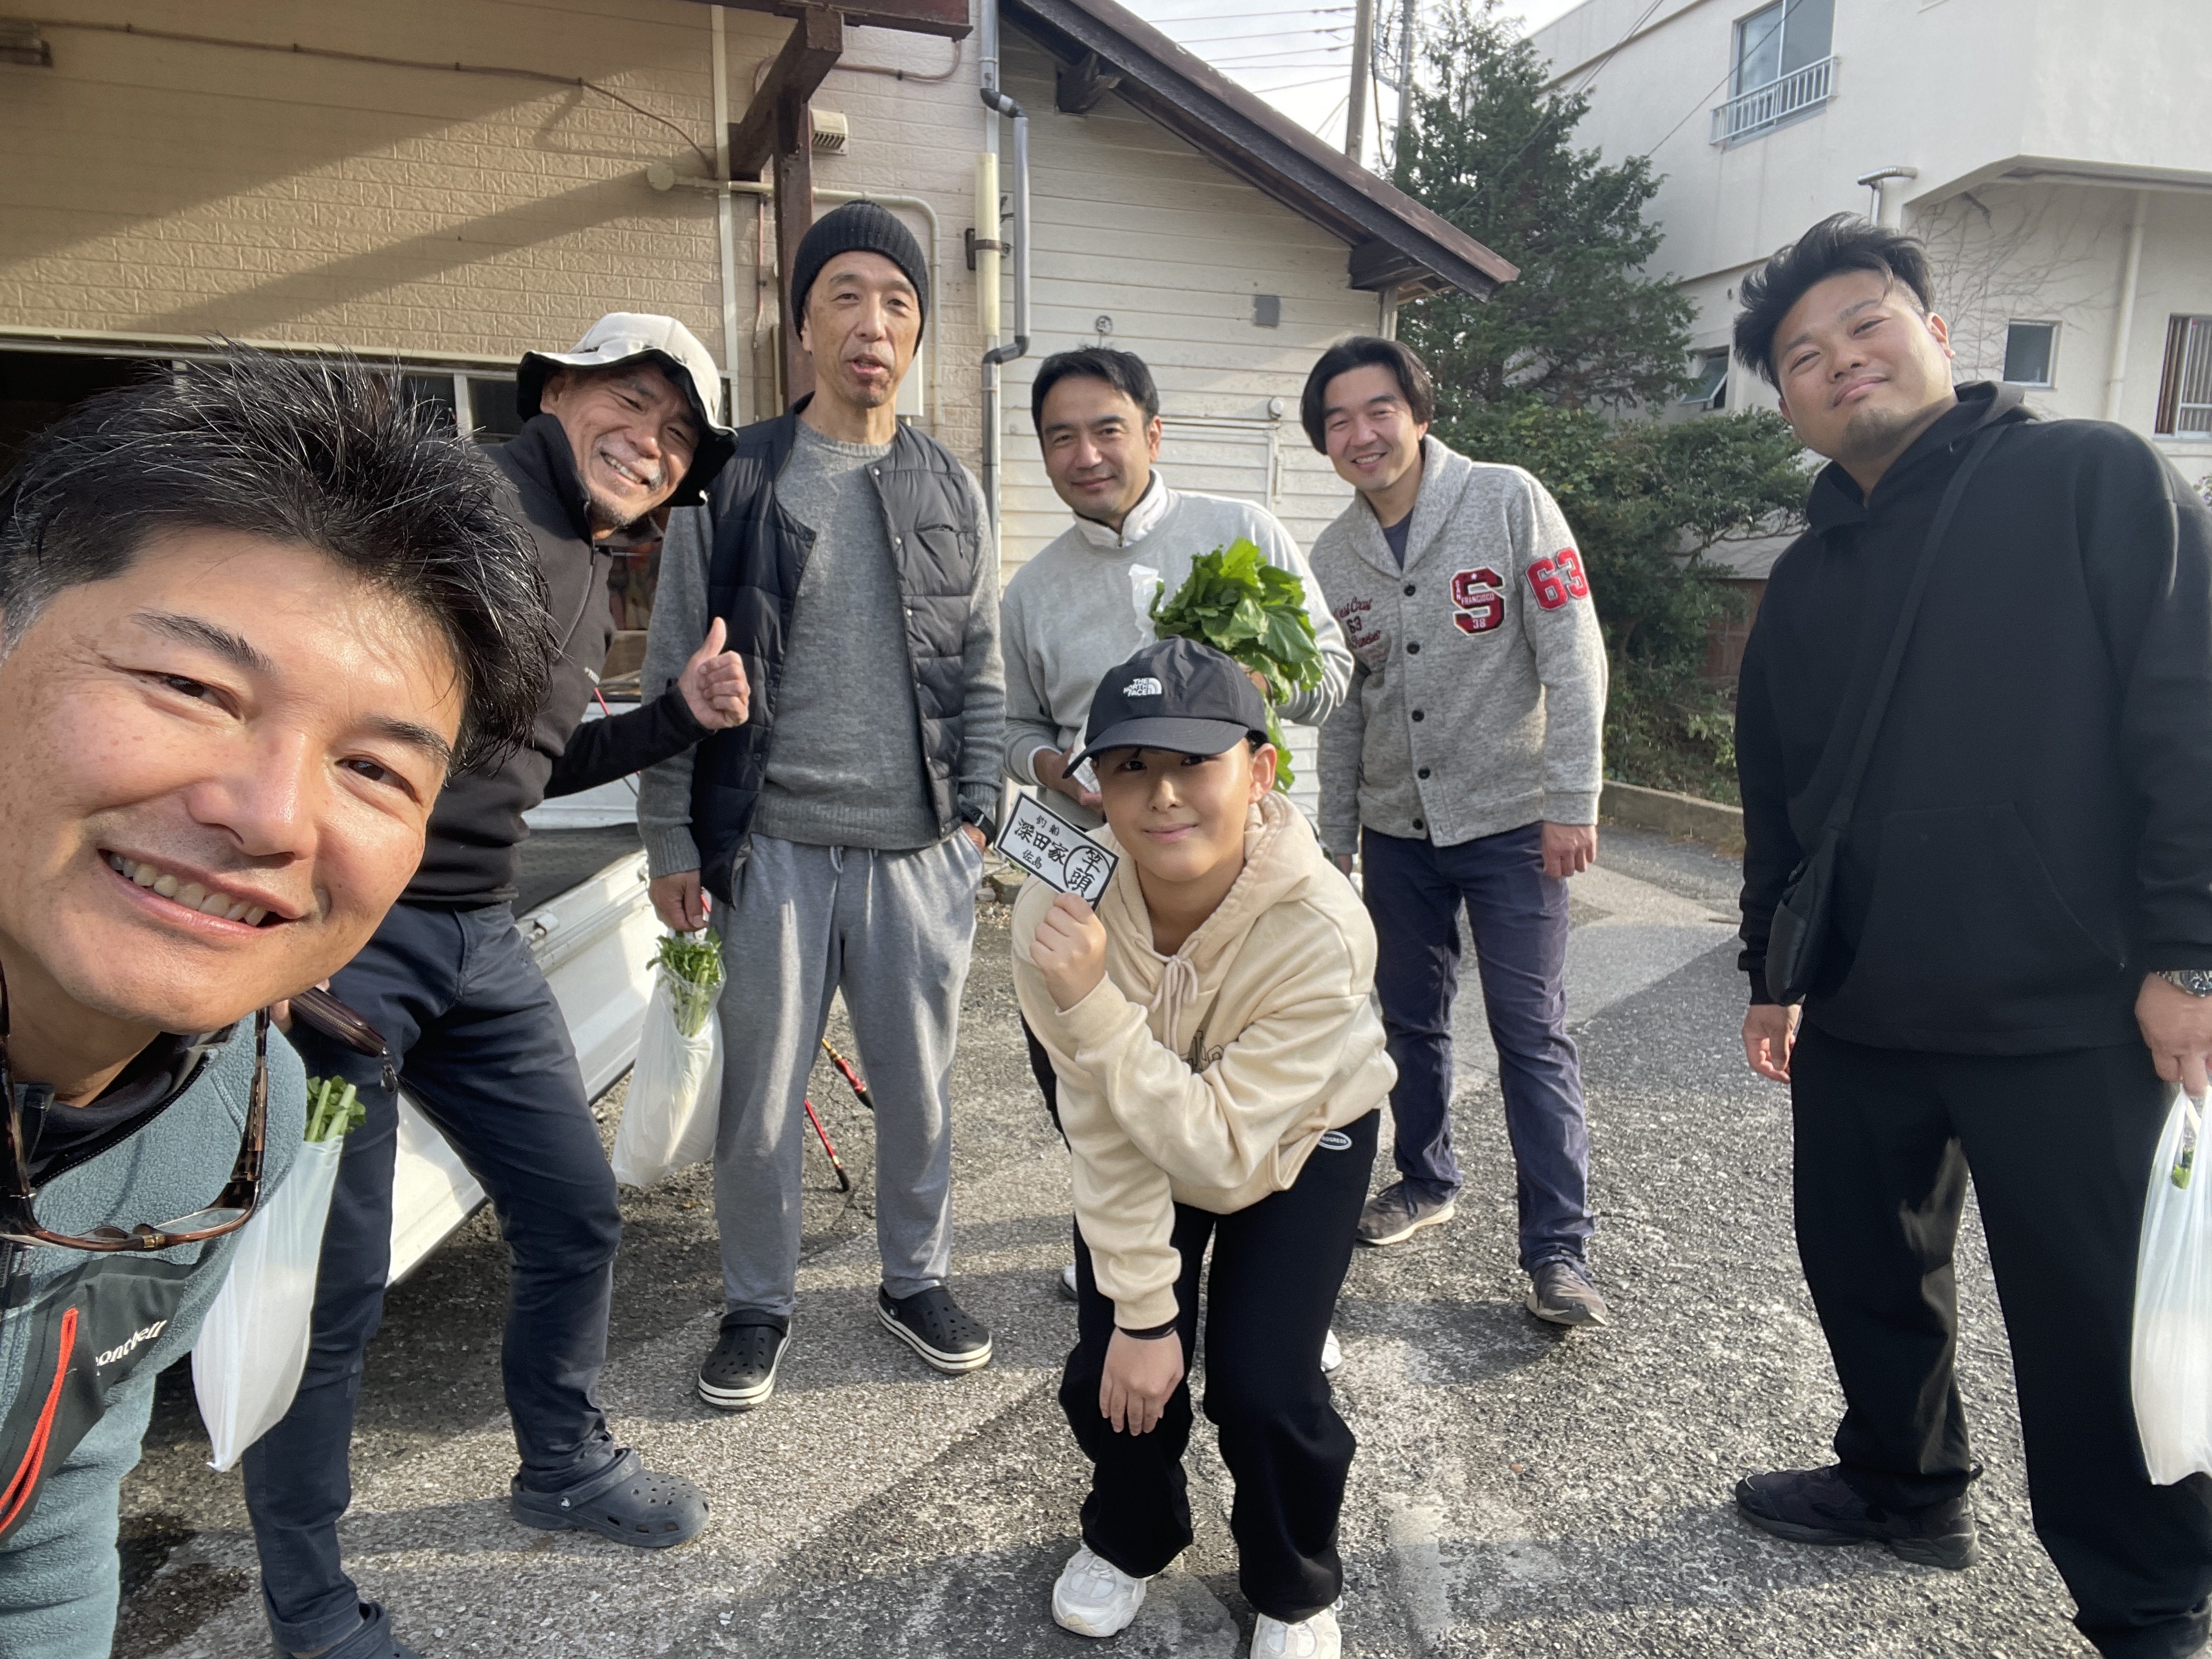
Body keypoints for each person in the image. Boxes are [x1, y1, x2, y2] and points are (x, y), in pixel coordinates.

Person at [0, 351, 552, 1659]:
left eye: (373, 767)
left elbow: (51, 1505)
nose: (270, 817)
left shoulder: (234, 1117)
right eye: (193, 690)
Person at [1730, 215, 2212, 1658]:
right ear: (1788, 400)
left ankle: (2149, 1602)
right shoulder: (1807, 574)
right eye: (1803, 356)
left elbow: (2190, 718)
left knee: (2093, 1322)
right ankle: (1904, 1485)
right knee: (1864, 1270)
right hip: (1866, 1005)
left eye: (1865, 324)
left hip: (2075, 1008)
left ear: (1938, 334)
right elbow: (1778, 789)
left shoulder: (2093, 479)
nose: (1840, 362)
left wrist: (2189, 952)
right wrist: (1772, 972)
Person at [243, 315, 748, 1659]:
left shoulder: (586, 560)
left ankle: (560, 1464)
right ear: (560, 390)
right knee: (329, 1285)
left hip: (478, 934)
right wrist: (283, 917)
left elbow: (531, 761)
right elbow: (306, 683)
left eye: (678, 435)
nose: (652, 443)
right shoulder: (459, 498)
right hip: (355, 939)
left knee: (574, 1212)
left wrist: (674, 716)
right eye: (633, 403)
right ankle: (308, 1609)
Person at [640, 201, 1005, 1413]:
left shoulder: (950, 485)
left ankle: (916, 1279)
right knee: (759, 1101)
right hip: (773, 846)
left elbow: (983, 663)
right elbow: (670, 671)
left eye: (898, 302)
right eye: (846, 295)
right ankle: (758, 1302)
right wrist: (671, 835)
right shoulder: (732, 478)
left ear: (919, 332)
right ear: (802, 325)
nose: (873, 324)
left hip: (919, 851)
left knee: (922, 1092)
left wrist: (977, 816)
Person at [1014, 638, 1393, 1659]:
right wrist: (1145, 1315)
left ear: (1261, 771)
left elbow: (1225, 1155)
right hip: (1141, 1123)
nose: (1164, 795)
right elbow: (1101, 1126)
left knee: (1266, 1386)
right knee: (1114, 1365)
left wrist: (1097, 1006)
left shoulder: (1323, 926)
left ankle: (1294, 1583)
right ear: (1096, 786)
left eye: (1196, 762)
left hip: (1302, 1134)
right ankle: (1132, 1534)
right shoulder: (1056, 917)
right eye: (1131, 766)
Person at [998, 346, 1352, 1323]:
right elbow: (1014, 725)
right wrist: (1051, 769)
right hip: (1095, 855)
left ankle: (1269, 1289)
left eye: (1108, 429)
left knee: (1242, 1068)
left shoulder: (1242, 531)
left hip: (1235, 865)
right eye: (1061, 437)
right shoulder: (1033, 590)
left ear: (1153, 434)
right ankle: (1127, 1252)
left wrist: (1258, 686)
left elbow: (1331, 674)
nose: (1086, 454)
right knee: (1087, 1053)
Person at [1302, 337, 1611, 1328]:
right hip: (1397, 830)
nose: (1362, 434)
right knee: (1409, 1020)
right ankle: (1427, 1179)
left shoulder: (1507, 499)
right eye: (1338, 421)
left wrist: (1573, 799)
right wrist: (1335, 837)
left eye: (1379, 410)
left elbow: (1573, 650)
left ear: (1419, 414)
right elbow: (1342, 712)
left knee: (1531, 1032)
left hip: (1515, 821)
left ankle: (1558, 1249)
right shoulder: (1331, 556)